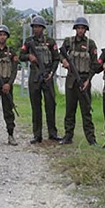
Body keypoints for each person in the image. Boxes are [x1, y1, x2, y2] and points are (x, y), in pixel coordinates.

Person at [58, 16, 101, 146]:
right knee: (70, 111)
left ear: (86, 30)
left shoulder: (90, 44)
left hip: (84, 81)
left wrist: (88, 80)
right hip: (71, 81)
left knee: (86, 112)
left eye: (83, 28)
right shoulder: (68, 42)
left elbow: (94, 64)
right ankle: (68, 136)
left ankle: (91, 139)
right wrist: (64, 60)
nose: (80, 30)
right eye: (78, 28)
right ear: (75, 29)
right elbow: (60, 53)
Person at [19, 16, 61, 144]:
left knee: (50, 105)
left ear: (43, 28)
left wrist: (52, 73)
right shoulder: (28, 41)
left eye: (38, 27)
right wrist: (29, 56)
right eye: (34, 27)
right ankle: (37, 135)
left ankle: (52, 133)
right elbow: (21, 56)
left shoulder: (50, 41)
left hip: (47, 75)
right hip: (35, 77)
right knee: (36, 107)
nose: (36, 29)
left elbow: (56, 59)